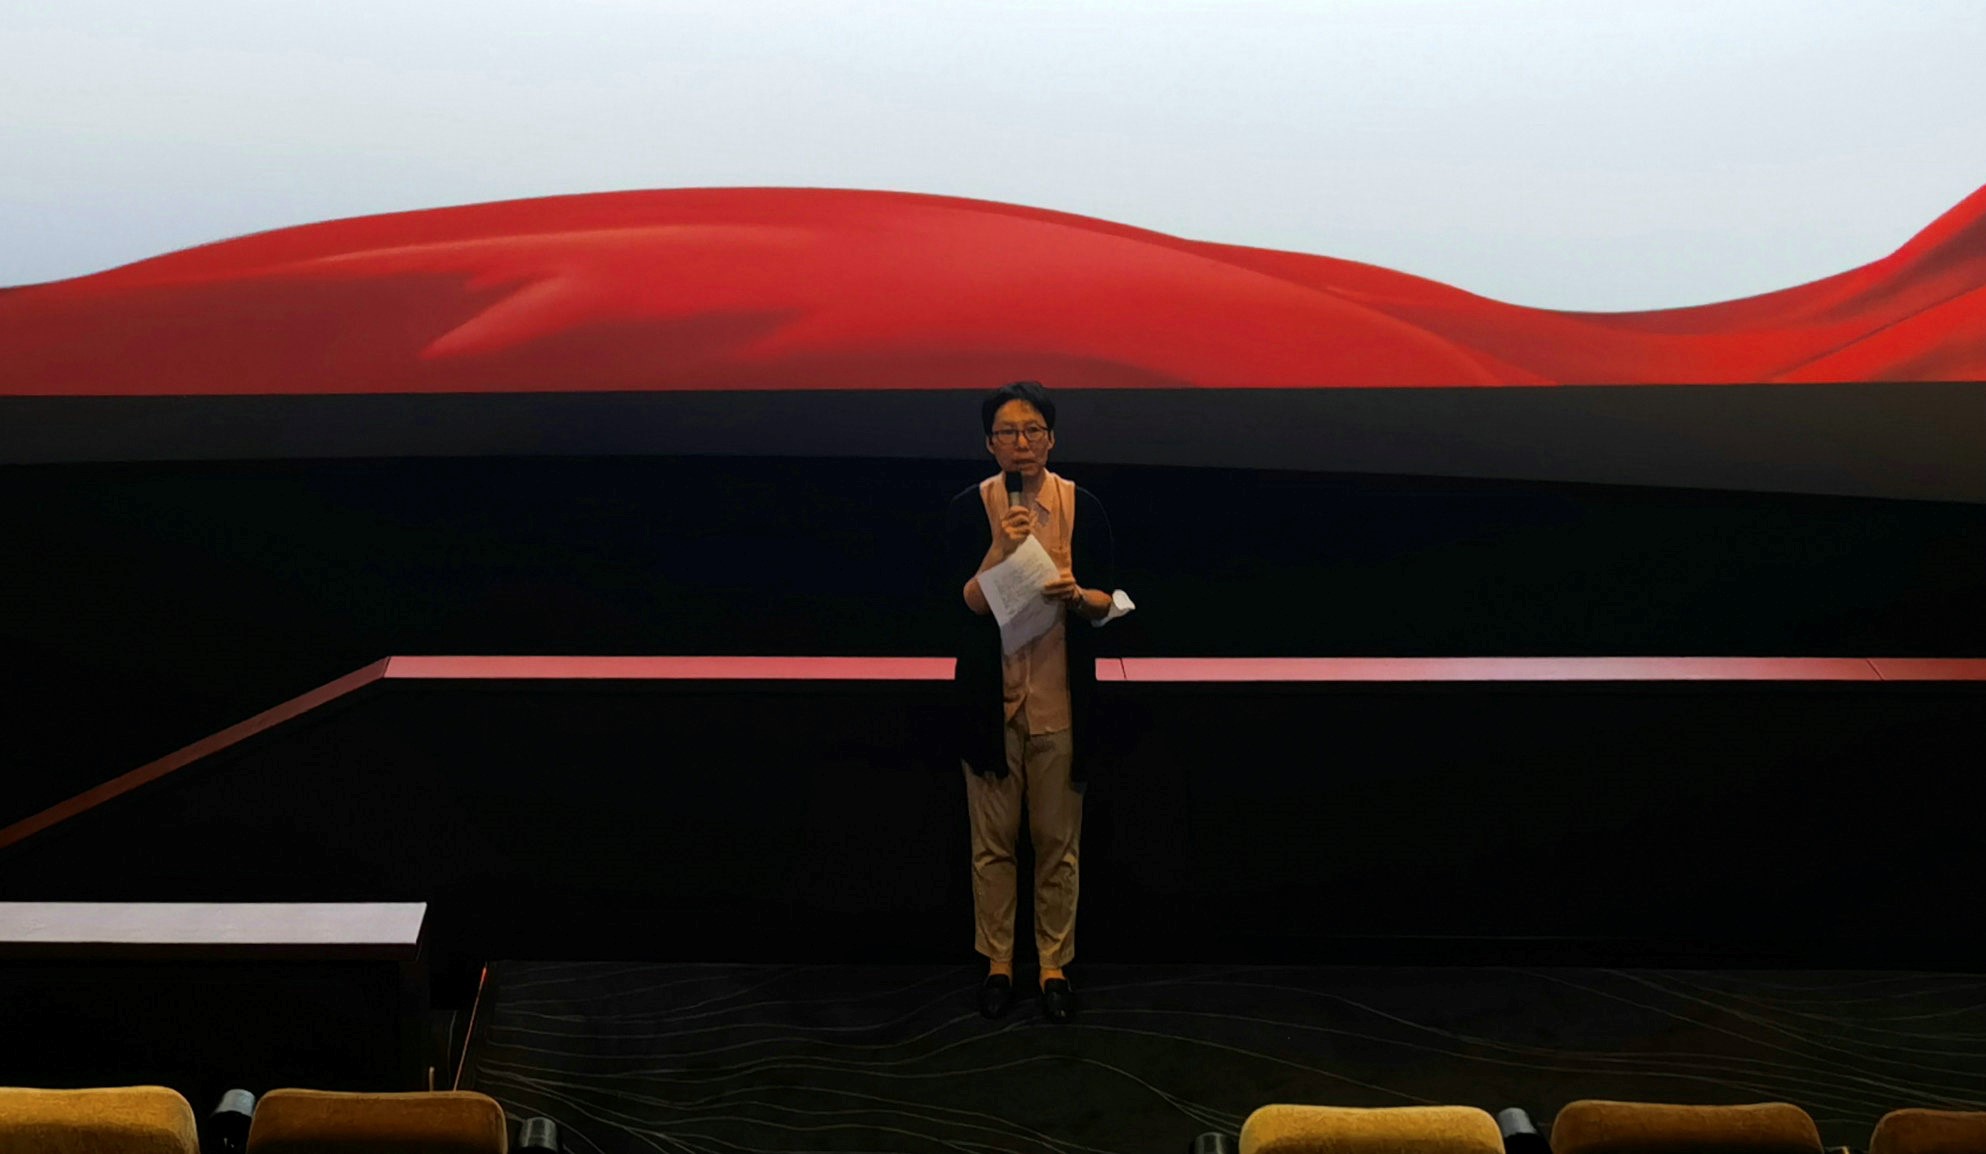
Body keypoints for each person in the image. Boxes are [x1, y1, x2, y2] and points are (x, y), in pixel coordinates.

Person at [943, 380, 1124, 1023]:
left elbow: (1112, 602)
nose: (1021, 443)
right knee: (991, 846)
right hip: (991, 705)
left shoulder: (1083, 505)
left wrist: (1079, 597)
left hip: (1060, 702)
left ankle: (1053, 965)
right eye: (1007, 433)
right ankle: (998, 963)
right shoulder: (970, 507)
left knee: (1056, 845)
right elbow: (962, 606)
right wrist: (998, 548)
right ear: (989, 444)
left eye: (1032, 431)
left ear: (1051, 439)